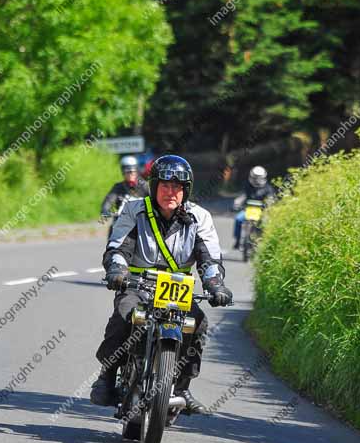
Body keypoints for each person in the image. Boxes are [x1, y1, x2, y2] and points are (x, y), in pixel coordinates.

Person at [90, 154, 233, 414]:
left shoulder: (199, 217)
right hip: (136, 285)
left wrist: (215, 285)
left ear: (186, 190)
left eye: (177, 187)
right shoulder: (133, 210)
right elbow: (118, 247)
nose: (171, 192)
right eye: (165, 185)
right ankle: (107, 376)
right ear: (154, 186)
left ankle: (181, 387)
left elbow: (209, 257)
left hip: (177, 290)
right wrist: (117, 270)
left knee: (198, 324)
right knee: (124, 317)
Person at [233, 165, 275, 250]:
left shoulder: (268, 188)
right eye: (255, 178)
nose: (257, 180)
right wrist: (237, 202)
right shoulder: (247, 186)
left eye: (259, 178)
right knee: (238, 219)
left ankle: (263, 243)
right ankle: (237, 240)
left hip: (261, 212)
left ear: (263, 177)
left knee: (265, 223)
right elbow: (243, 196)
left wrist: (269, 204)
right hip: (247, 210)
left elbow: (271, 198)